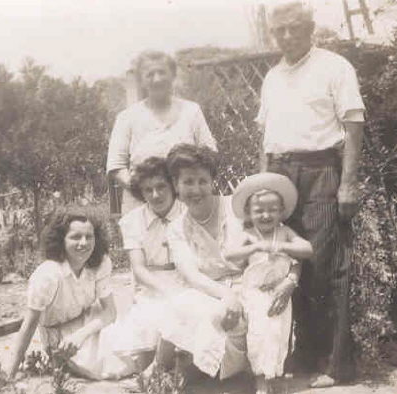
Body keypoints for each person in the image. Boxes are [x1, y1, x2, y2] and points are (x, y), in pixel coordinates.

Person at [256, 1, 366, 387]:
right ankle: (303, 354)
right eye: (280, 31)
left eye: (294, 29)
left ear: (309, 28)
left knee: (324, 263)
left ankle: (336, 365)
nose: (287, 37)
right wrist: (262, 185)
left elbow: (353, 126)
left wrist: (347, 183)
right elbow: (266, 140)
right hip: (280, 173)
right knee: (285, 260)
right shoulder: (272, 77)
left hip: (321, 169)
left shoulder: (334, 67)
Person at [150, 143, 249, 384]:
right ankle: (159, 369)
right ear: (176, 185)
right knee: (182, 304)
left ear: (212, 181)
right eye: (188, 182)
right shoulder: (176, 228)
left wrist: (238, 294)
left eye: (203, 181)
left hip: (248, 285)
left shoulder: (235, 208)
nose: (196, 189)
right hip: (210, 290)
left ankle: (222, 370)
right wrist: (227, 295)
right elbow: (192, 276)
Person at [8, 211, 136, 381]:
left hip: (88, 322)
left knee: (129, 350)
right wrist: (10, 374)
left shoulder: (100, 264)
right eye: (75, 237)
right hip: (57, 332)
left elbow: (110, 312)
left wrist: (81, 335)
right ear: (61, 240)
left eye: (89, 237)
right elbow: (29, 325)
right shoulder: (48, 275)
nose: (83, 243)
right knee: (98, 368)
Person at [225, 173, 313, 394]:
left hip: (280, 291)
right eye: (259, 210)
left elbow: (307, 249)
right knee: (258, 335)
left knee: (280, 333)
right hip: (255, 294)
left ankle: (277, 374)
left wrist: (282, 247)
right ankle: (261, 379)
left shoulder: (284, 232)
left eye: (272, 210)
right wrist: (255, 247)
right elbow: (230, 254)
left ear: (281, 212)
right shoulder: (249, 235)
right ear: (248, 213)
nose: (266, 215)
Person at [106, 50, 217, 214]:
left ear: (172, 75)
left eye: (162, 72)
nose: (157, 79)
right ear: (141, 81)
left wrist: (189, 188)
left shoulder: (191, 111)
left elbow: (210, 153)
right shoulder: (127, 118)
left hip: (186, 204)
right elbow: (116, 167)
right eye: (150, 74)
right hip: (142, 205)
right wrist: (148, 193)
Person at [111, 156, 186, 363]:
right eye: (148, 190)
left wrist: (180, 290)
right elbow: (139, 269)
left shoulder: (188, 213)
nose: (155, 195)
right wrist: (166, 290)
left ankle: (161, 368)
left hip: (189, 280)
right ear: (140, 193)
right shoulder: (132, 221)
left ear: (173, 185)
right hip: (153, 286)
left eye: (161, 186)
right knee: (133, 355)